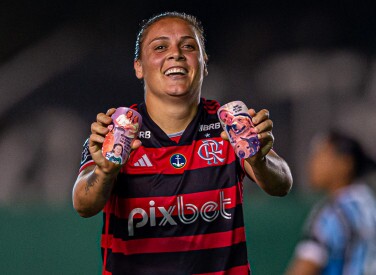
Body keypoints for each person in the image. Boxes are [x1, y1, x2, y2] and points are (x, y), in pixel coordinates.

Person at [73, 11, 293, 275]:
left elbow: (282, 184)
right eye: (160, 47)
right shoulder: (114, 132)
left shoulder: (230, 126)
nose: (175, 54)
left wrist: (259, 158)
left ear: (204, 62)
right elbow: (83, 205)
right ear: (139, 66)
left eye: (188, 46)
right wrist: (105, 171)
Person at [285, 130, 376, 275]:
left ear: (346, 163)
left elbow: (303, 270)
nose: (313, 163)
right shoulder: (370, 204)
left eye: (321, 155)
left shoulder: (333, 212)